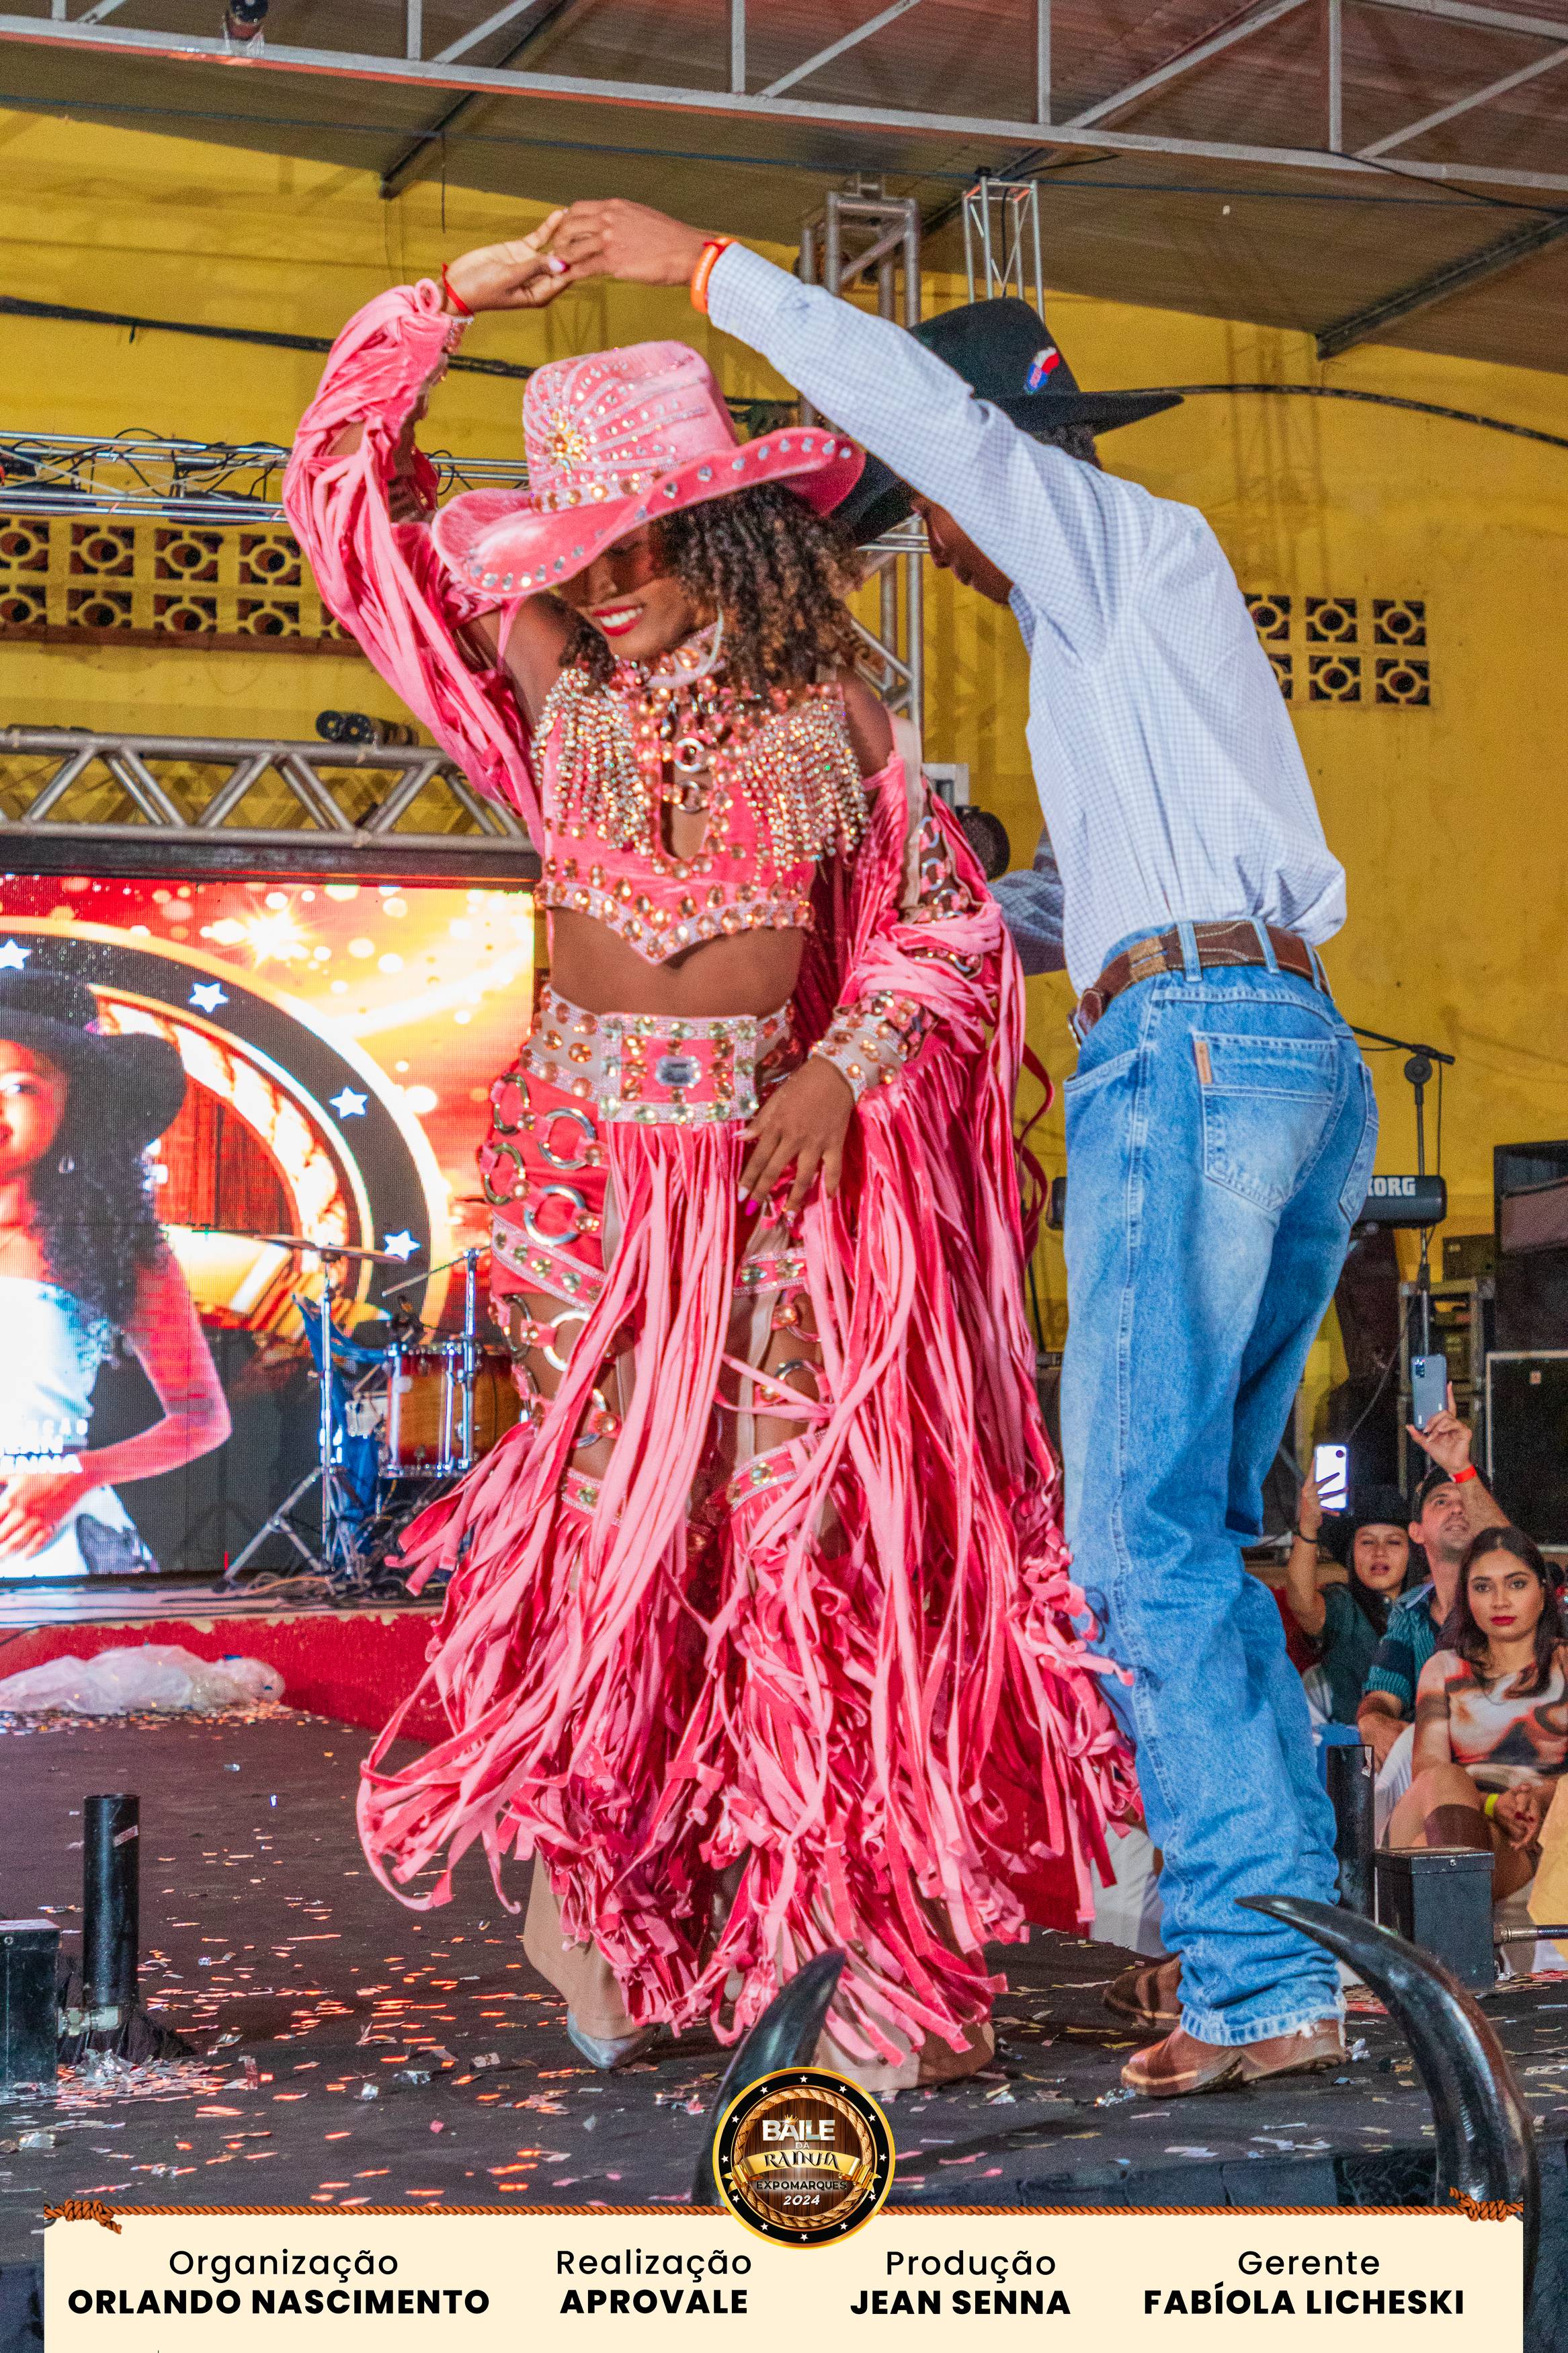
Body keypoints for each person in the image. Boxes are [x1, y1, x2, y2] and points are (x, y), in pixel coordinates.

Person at [283, 227, 1134, 2091]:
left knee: (794, 1538)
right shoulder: (541, 681)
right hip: (584, 1177)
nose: (612, 584)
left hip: (767, 1178)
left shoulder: (838, 718)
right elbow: (343, 500)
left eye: (644, 547)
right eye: (583, 554)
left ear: (729, 534)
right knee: (615, 1553)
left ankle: (837, 1954)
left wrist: (840, 1066)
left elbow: (938, 927)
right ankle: (614, 1920)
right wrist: (441, 305)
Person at [548, 198, 1373, 2097]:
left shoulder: (1105, 539)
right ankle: (1287, 1960)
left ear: (983, 478)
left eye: (931, 516)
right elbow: (1064, 905)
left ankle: (1257, 1975)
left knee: (1132, 1541)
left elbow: (929, 420)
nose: (941, 553)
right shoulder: (1128, 640)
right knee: (1194, 1534)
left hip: (1192, 1050)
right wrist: (901, 915)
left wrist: (704, 269)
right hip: (1269, 1040)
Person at [0, 968, 231, 1578]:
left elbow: (203, 1420)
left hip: (48, 1550)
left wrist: (80, 1474)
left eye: (20, 1085)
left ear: (74, 1103)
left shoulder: (117, 1245)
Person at [1389, 1527, 1567, 1900]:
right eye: (1483, 1587)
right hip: (1451, 1805)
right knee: (1444, 1780)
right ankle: (1461, 1925)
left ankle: (1452, 1928)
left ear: (1542, 1593)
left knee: (1433, 1852)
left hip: (1531, 1826)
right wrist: (1490, 1803)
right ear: (1467, 1598)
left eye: (1516, 1584)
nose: (1500, 1601)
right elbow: (1428, 1773)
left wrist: (1537, 1798)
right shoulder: (1444, 1669)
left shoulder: (1564, 1665)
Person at [1358, 1400, 1507, 1771]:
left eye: (1467, 1499)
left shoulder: (1518, 1596)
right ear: (1417, 1531)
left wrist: (1460, 1468)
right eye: (1442, 1501)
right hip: (1435, 1777)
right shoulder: (1411, 1610)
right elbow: (1383, 1694)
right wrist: (1373, 1720)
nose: (1458, 1508)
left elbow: (1509, 1554)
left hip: (1515, 1769)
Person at [1284, 1478, 1413, 1726]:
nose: (1379, 1551)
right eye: (1367, 1541)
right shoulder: (1342, 1606)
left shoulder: (1428, 1607)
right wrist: (1308, 1528)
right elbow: (1302, 1603)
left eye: (1393, 1541)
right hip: (1353, 1744)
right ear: (1352, 1553)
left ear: (1412, 1552)